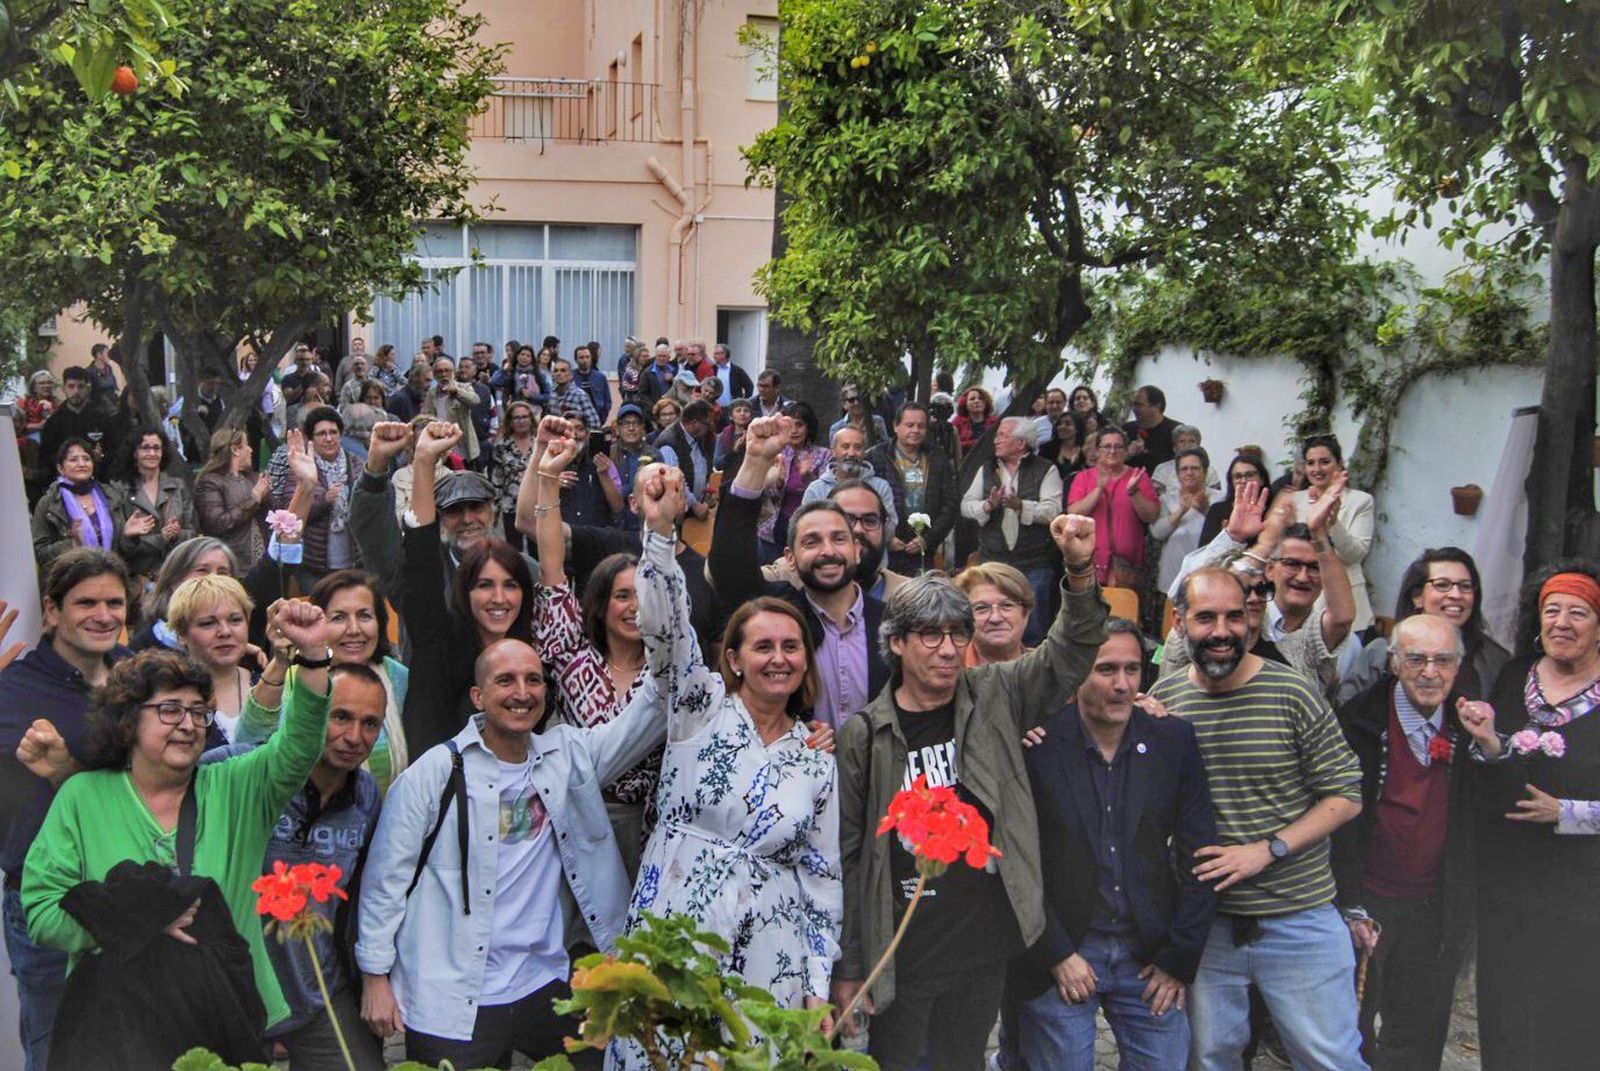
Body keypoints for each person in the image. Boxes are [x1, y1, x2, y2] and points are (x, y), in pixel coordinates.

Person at [832, 515, 1105, 1071]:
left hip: (981, 943)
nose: (949, 650)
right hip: (904, 950)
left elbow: (1071, 652)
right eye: (931, 635)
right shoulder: (864, 733)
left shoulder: (994, 692)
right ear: (898, 642)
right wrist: (852, 965)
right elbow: (852, 854)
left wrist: (1078, 569)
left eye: (959, 634)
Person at [20, 602, 334, 1063]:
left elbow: (300, 743)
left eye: (197, 712)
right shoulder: (82, 796)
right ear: (128, 719)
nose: (188, 724)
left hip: (227, 1015)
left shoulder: (237, 785)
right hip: (120, 1030)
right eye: (169, 710)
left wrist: (312, 656)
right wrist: (142, 921)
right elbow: (43, 912)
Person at [614, 467, 839, 1070]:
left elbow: (821, 879)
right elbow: (666, 632)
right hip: (678, 926)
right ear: (734, 659)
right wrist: (660, 536)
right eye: (762, 646)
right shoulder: (697, 706)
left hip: (771, 948)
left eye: (791, 647)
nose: (779, 658)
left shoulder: (815, 758)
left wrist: (817, 985)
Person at [354, 639, 667, 1068]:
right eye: (506, 680)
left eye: (533, 680)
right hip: (453, 994)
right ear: (478, 697)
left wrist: (669, 634)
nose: (522, 692)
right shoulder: (435, 772)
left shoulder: (566, 758)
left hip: (546, 982)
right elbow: (385, 880)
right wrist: (375, 977)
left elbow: (647, 715)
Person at [1147, 568, 1364, 1071]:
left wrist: (1269, 849)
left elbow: (1346, 794)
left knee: (1329, 1059)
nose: (1222, 631)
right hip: (1208, 925)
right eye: (1205, 618)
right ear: (1180, 623)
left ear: (1251, 620)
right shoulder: (1169, 700)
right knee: (1208, 1057)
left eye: (1234, 616)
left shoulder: (1292, 693)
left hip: (1298, 916)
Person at [1015, 619, 1218, 1071]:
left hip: (1148, 955)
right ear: (1076, 676)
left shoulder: (1172, 739)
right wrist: (1056, 953)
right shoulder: (1039, 744)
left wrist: (1178, 960)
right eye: (1106, 669)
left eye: (1132, 669)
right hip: (1065, 949)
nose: (1123, 685)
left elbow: (1200, 855)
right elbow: (1017, 863)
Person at [221, 661, 388, 1071]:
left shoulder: (366, 795)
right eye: (341, 717)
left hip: (318, 990)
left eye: (370, 724)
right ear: (309, 712)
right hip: (237, 994)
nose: (354, 737)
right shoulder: (248, 768)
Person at [1333, 614, 1482, 1071]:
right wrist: (1348, 902)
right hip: (1364, 903)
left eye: (1443, 660)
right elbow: (1338, 824)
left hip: (1431, 907)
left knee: (1417, 1036)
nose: (1430, 672)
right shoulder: (1358, 722)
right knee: (1347, 1031)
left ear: (1458, 667)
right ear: (1394, 663)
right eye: (1416, 658)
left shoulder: (1469, 724)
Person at [0, 551, 130, 1071]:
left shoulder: (135, 676)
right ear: (52, 612)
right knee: (58, 1054)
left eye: (115, 602)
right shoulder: (12, 688)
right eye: (87, 603)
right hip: (51, 898)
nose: (103, 615)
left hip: (131, 890)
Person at [1472, 563, 1600, 1071]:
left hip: (1582, 891)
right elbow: (1490, 759)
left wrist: (1564, 812)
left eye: (1579, 612)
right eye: (1552, 610)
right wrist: (1487, 747)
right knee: (1504, 1006)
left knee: (1570, 1016)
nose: (1562, 622)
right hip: (1505, 878)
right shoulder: (1512, 675)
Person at [529, 432, 658, 877]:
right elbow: (551, 567)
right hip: (579, 824)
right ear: (601, 603)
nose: (634, 606)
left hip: (652, 830)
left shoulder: (666, 670)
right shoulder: (571, 657)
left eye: (642, 594)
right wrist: (548, 479)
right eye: (623, 595)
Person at [710, 414, 884, 729]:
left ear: (857, 549)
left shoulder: (890, 623)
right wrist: (755, 463)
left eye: (838, 538)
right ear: (789, 557)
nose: (828, 551)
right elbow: (728, 565)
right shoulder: (782, 614)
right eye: (811, 541)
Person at [397, 421, 537, 753]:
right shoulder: (437, 641)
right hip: (443, 795)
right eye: (485, 585)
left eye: (510, 585)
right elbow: (421, 562)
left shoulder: (533, 650)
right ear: (465, 592)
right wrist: (424, 461)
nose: (499, 598)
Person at [1339, 546, 1511, 704]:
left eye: (1465, 586)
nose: (1456, 594)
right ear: (1417, 597)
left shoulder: (1494, 659)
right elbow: (1347, 713)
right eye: (1442, 585)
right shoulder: (1380, 653)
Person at [963, 416, 1065, 645]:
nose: (996, 440)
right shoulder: (987, 468)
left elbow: (1054, 510)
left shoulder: (1046, 469)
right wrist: (987, 506)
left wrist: (1022, 507)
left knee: (1033, 629)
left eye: (1002, 435)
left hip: (1033, 564)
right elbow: (965, 505)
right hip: (992, 562)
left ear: (1020, 443)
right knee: (989, 626)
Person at [1290, 434, 1376, 633]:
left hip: (1346, 602)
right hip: (1302, 602)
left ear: (1339, 465)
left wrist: (1333, 524)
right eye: (1311, 463)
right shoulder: (1294, 500)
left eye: (1324, 462)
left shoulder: (1360, 501)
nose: (1317, 469)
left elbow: (1355, 554)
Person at [268, 407, 363, 582]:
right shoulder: (302, 468)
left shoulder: (356, 463)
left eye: (333, 432)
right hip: (315, 563)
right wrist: (324, 500)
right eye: (321, 434)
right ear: (311, 439)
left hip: (352, 558)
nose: (329, 438)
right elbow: (290, 511)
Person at [867, 402, 958, 578]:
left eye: (921, 426)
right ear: (895, 426)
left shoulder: (937, 457)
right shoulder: (876, 456)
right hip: (886, 548)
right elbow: (867, 502)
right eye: (910, 425)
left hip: (923, 547)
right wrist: (885, 538)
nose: (916, 430)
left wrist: (928, 539)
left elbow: (951, 502)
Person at [1065, 426, 1159, 592]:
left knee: (1125, 615)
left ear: (1125, 451)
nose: (1112, 451)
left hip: (1128, 569)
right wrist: (1098, 490)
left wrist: (1134, 493)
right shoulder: (1083, 478)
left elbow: (1151, 516)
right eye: (1107, 446)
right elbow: (1073, 513)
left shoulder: (1139, 477)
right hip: (1090, 566)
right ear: (1098, 450)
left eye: (1118, 446)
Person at [165, 573, 258, 740]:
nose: (225, 632)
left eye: (235, 620)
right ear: (181, 634)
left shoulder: (273, 684)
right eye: (208, 623)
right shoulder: (166, 696)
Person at [31, 438, 144, 569]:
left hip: (111, 577)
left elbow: (125, 553)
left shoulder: (111, 496)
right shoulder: (49, 503)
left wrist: (127, 536)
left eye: (86, 458)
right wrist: (73, 543)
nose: (81, 464)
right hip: (71, 580)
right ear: (61, 468)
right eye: (73, 460)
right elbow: (40, 554)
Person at [114, 426, 197, 583]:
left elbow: (192, 533)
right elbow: (122, 545)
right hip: (139, 580)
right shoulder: (119, 490)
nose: (152, 453)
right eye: (145, 448)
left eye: (156, 448)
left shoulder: (178, 487)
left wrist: (176, 534)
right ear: (134, 453)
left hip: (176, 576)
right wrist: (161, 538)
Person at [754, 401, 831, 563]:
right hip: (773, 528)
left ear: (808, 428)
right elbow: (765, 493)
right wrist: (779, 482)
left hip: (807, 527)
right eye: (790, 426)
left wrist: (808, 478)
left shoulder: (824, 455)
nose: (794, 430)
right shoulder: (775, 452)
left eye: (800, 425)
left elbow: (825, 496)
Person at [195, 427, 272, 570]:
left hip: (262, 564)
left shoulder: (252, 478)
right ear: (235, 450)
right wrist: (254, 499)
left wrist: (266, 493)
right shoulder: (209, 482)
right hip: (232, 566)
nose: (251, 450)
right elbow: (217, 523)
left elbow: (272, 516)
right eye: (247, 445)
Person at [803, 425, 898, 533]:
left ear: (864, 452)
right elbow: (807, 527)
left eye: (858, 447)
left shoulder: (880, 487)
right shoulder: (816, 490)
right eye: (845, 446)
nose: (851, 453)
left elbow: (890, 524)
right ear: (833, 451)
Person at [1149, 446, 1211, 594]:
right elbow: (1158, 533)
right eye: (1184, 469)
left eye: (1195, 468)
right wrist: (1181, 511)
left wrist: (1205, 510)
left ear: (1205, 472)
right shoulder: (1166, 499)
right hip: (1173, 580)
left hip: (1207, 578)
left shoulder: (1218, 498)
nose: (1189, 473)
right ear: (1177, 474)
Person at [954, 562, 1034, 666]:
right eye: (982, 608)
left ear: (1026, 613)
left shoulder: (1047, 667)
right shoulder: (950, 671)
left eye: (1006, 605)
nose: (995, 618)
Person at [38, 367, 113, 478]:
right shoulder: (54, 422)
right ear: (64, 388)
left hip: (99, 479)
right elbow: (45, 456)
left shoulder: (102, 418)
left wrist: (100, 458)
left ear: (88, 389)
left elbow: (113, 451)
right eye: (71, 386)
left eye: (80, 386)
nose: (76, 391)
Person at [652, 399, 716, 522]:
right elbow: (674, 482)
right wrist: (694, 505)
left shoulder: (700, 436)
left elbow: (705, 466)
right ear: (694, 423)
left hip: (698, 509)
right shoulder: (669, 443)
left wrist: (707, 492)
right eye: (707, 424)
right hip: (676, 514)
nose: (710, 427)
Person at [491, 400, 538, 553]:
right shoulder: (501, 446)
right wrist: (494, 511)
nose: (521, 421)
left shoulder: (541, 444)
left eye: (525, 417)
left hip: (537, 506)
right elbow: (497, 479)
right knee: (514, 552)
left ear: (531, 419)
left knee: (537, 551)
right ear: (510, 421)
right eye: (516, 418)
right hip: (511, 505)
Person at [1198, 452, 1271, 547]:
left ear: (1262, 479)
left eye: (1249, 475)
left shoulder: (1273, 509)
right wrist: (1227, 536)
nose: (1244, 481)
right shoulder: (1217, 510)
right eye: (1238, 476)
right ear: (1231, 481)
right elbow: (1205, 550)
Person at [1123, 385, 1181, 472]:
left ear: (1157, 407)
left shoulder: (1176, 431)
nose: (1134, 409)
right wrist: (1128, 454)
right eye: (1134, 404)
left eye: (1139, 405)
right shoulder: (1126, 429)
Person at [547, 356, 601, 430]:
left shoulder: (580, 395)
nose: (558, 373)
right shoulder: (551, 394)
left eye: (563, 370)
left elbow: (594, 423)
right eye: (556, 371)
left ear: (571, 375)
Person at [1043, 410, 1088, 484]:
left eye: (1068, 424)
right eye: (1060, 424)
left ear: (1078, 428)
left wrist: (1073, 464)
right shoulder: (1046, 448)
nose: (1062, 426)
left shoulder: (1085, 451)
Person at [572, 343, 611, 425]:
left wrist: (602, 418)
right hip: (575, 421)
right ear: (576, 360)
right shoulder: (570, 377)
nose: (585, 360)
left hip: (596, 421)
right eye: (581, 357)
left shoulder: (600, 377)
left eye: (587, 357)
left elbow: (607, 401)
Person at [952, 386, 998, 454]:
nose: (977, 401)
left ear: (985, 403)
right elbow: (953, 445)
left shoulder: (995, 422)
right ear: (965, 404)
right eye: (972, 399)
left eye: (980, 398)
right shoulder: (957, 422)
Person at [713, 396, 754, 469]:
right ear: (731, 416)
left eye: (746, 411)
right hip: (730, 478)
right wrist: (734, 451)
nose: (742, 414)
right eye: (738, 411)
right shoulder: (722, 436)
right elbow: (717, 464)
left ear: (750, 416)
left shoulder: (756, 434)